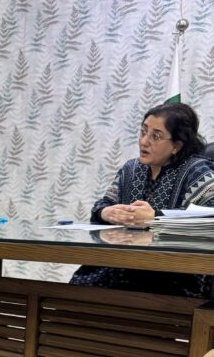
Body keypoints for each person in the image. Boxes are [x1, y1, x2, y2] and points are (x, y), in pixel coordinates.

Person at [70, 102, 214, 297]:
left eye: (156, 136)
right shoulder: (131, 169)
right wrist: (107, 212)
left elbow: (209, 222)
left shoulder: (197, 172)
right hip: (119, 264)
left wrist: (155, 218)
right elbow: (102, 205)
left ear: (176, 146)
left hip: (172, 275)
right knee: (74, 290)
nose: (144, 142)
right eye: (143, 132)